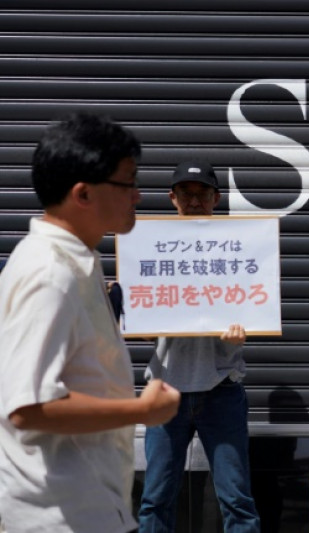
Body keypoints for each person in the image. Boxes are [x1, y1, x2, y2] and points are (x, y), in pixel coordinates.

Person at [0, 112, 180, 533]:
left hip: (84, 508)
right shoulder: (51, 274)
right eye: (127, 183)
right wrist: (142, 410)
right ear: (83, 194)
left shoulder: (71, 264)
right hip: (61, 516)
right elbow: (28, 407)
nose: (137, 195)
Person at [138, 161, 261, 532]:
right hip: (165, 392)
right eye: (186, 194)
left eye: (202, 194)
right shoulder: (148, 248)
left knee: (237, 500)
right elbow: (138, 320)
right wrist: (140, 324)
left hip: (221, 390)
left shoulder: (238, 248)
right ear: (172, 198)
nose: (194, 201)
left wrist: (247, 330)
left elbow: (258, 305)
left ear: (216, 198)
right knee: (155, 499)